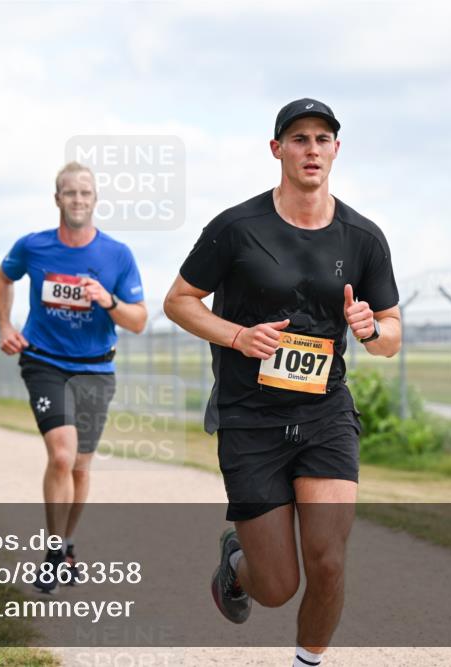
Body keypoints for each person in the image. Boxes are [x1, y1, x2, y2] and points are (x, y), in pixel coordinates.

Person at [163, 99, 401, 667]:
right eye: (299, 139)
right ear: (277, 150)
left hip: (325, 416)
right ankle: (236, 564)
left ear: (336, 150)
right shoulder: (236, 228)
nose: (311, 149)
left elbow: (391, 334)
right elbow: (178, 302)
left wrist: (371, 329)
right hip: (249, 418)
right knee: (276, 586)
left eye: (323, 138)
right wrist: (239, 337)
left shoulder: (363, 237)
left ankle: (307, 662)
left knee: (328, 561)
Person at [0, 161, 147, 593]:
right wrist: (6, 326)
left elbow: (137, 320)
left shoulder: (116, 255)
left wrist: (108, 300)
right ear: (56, 198)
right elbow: (2, 278)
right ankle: (54, 553)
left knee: (80, 466)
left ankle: (67, 544)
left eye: (85, 193)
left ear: (95, 200)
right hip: (43, 361)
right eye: (69, 192)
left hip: (96, 368)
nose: (77, 199)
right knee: (61, 455)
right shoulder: (33, 246)